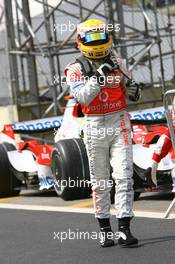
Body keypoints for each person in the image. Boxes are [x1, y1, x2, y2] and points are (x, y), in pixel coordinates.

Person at [64, 19, 141, 247]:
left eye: (101, 37)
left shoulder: (119, 62)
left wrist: (134, 90)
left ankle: (125, 229)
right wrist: (99, 75)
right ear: (81, 41)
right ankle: (105, 230)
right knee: (100, 181)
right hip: (94, 124)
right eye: (92, 38)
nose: (98, 43)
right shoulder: (74, 69)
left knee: (124, 176)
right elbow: (83, 97)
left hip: (120, 121)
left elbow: (131, 93)